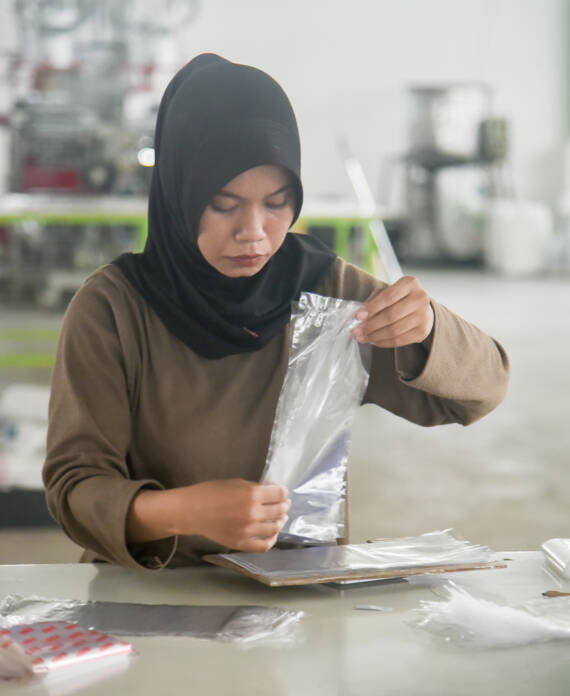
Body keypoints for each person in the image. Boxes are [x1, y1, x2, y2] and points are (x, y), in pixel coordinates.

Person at [43, 53, 510, 570]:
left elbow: (481, 392)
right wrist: (178, 512)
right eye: (224, 204)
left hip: (296, 599)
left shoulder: (325, 293)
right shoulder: (114, 309)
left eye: (278, 202)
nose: (255, 232)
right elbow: (75, 488)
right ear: (179, 191)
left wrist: (427, 330)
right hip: (148, 598)